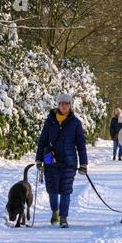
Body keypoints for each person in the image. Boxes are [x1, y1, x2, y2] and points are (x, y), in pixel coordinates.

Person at [35, 94, 88, 228]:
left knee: (66, 190)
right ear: (58, 105)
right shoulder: (50, 121)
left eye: (67, 103)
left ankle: (63, 217)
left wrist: (83, 164)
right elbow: (42, 141)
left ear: (70, 105)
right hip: (50, 161)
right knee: (52, 190)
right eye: (62, 103)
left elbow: (81, 144)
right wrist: (38, 159)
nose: (64, 106)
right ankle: (55, 212)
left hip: (69, 162)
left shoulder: (75, 123)